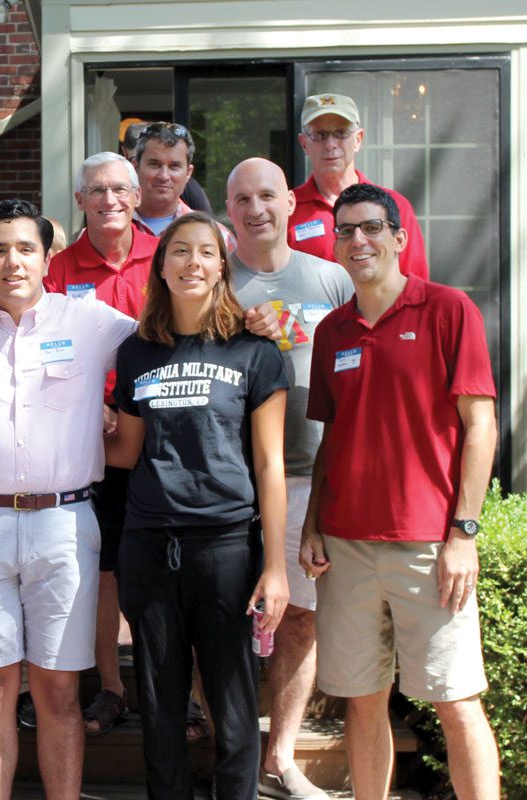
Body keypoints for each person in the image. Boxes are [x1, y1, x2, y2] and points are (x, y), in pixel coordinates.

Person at [0, 198, 138, 799]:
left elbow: (168, 338)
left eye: (25, 248)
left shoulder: (91, 320)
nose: (11, 261)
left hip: (65, 525)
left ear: (48, 257)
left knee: (58, 689)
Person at [301, 184, 499, 800]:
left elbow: (480, 425)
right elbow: (332, 437)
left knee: (456, 701)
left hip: (428, 545)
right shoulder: (334, 331)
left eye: (371, 228)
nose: (358, 241)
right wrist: (312, 523)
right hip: (347, 548)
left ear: (398, 238)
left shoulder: (446, 309)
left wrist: (463, 532)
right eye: (346, 231)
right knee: (362, 702)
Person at [107, 212, 289, 800]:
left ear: (222, 265)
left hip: (226, 546)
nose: (192, 263)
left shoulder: (256, 351)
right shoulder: (136, 352)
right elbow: (127, 452)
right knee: (160, 702)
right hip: (150, 544)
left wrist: (276, 565)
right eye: (179, 251)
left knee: (233, 703)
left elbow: (269, 464)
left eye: (206, 252)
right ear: (160, 266)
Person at [225, 158, 353, 800]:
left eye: (267, 195)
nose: (257, 208)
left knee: (298, 620)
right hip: (233, 484)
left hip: (310, 482)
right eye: (243, 198)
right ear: (229, 210)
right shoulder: (215, 279)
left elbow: (357, 366)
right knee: (224, 623)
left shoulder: (330, 278)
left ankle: (280, 757)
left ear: (291, 204)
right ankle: (237, 754)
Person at [42, 151, 157, 735]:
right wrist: (95, 407)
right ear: (81, 200)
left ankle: (168, 689)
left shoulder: (167, 258)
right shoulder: (58, 270)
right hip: (97, 441)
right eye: (96, 191)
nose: (109, 200)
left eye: (119, 190)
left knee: (160, 566)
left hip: (163, 438)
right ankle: (111, 687)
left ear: (136, 197)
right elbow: (47, 351)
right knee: (103, 567)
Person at [288, 93, 428, 279]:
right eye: (319, 135)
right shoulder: (287, 211)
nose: (330, 144)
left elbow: (415, 285)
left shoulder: (395, 206)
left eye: (340, 133)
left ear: (358, 139)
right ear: (304, 144)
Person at [131, 122, 236, 249]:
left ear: (188, 173)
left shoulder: (218, 238)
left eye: (174, 166)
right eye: (155, 164)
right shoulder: (108, 229)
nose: (164, 176)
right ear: (135, 167)